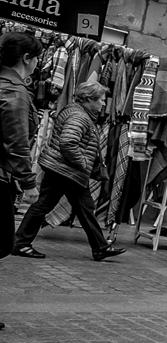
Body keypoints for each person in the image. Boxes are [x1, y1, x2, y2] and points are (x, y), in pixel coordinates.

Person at [12, 81, 124, 262]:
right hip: (66, 170)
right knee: (63, 206)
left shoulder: (77, 112)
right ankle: (21, 242)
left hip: (63, 168)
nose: (104, 104)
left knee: (69, 206)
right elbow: (68, 143)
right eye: (101, 100)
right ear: (89, 99)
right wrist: (84, 162)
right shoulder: (79, 117)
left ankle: (100, 247)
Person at [0, 32, 42, 331]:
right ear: (26, 58)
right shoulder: (14, 91)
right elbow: (16, 141)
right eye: (36, 57)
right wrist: (28, 183)